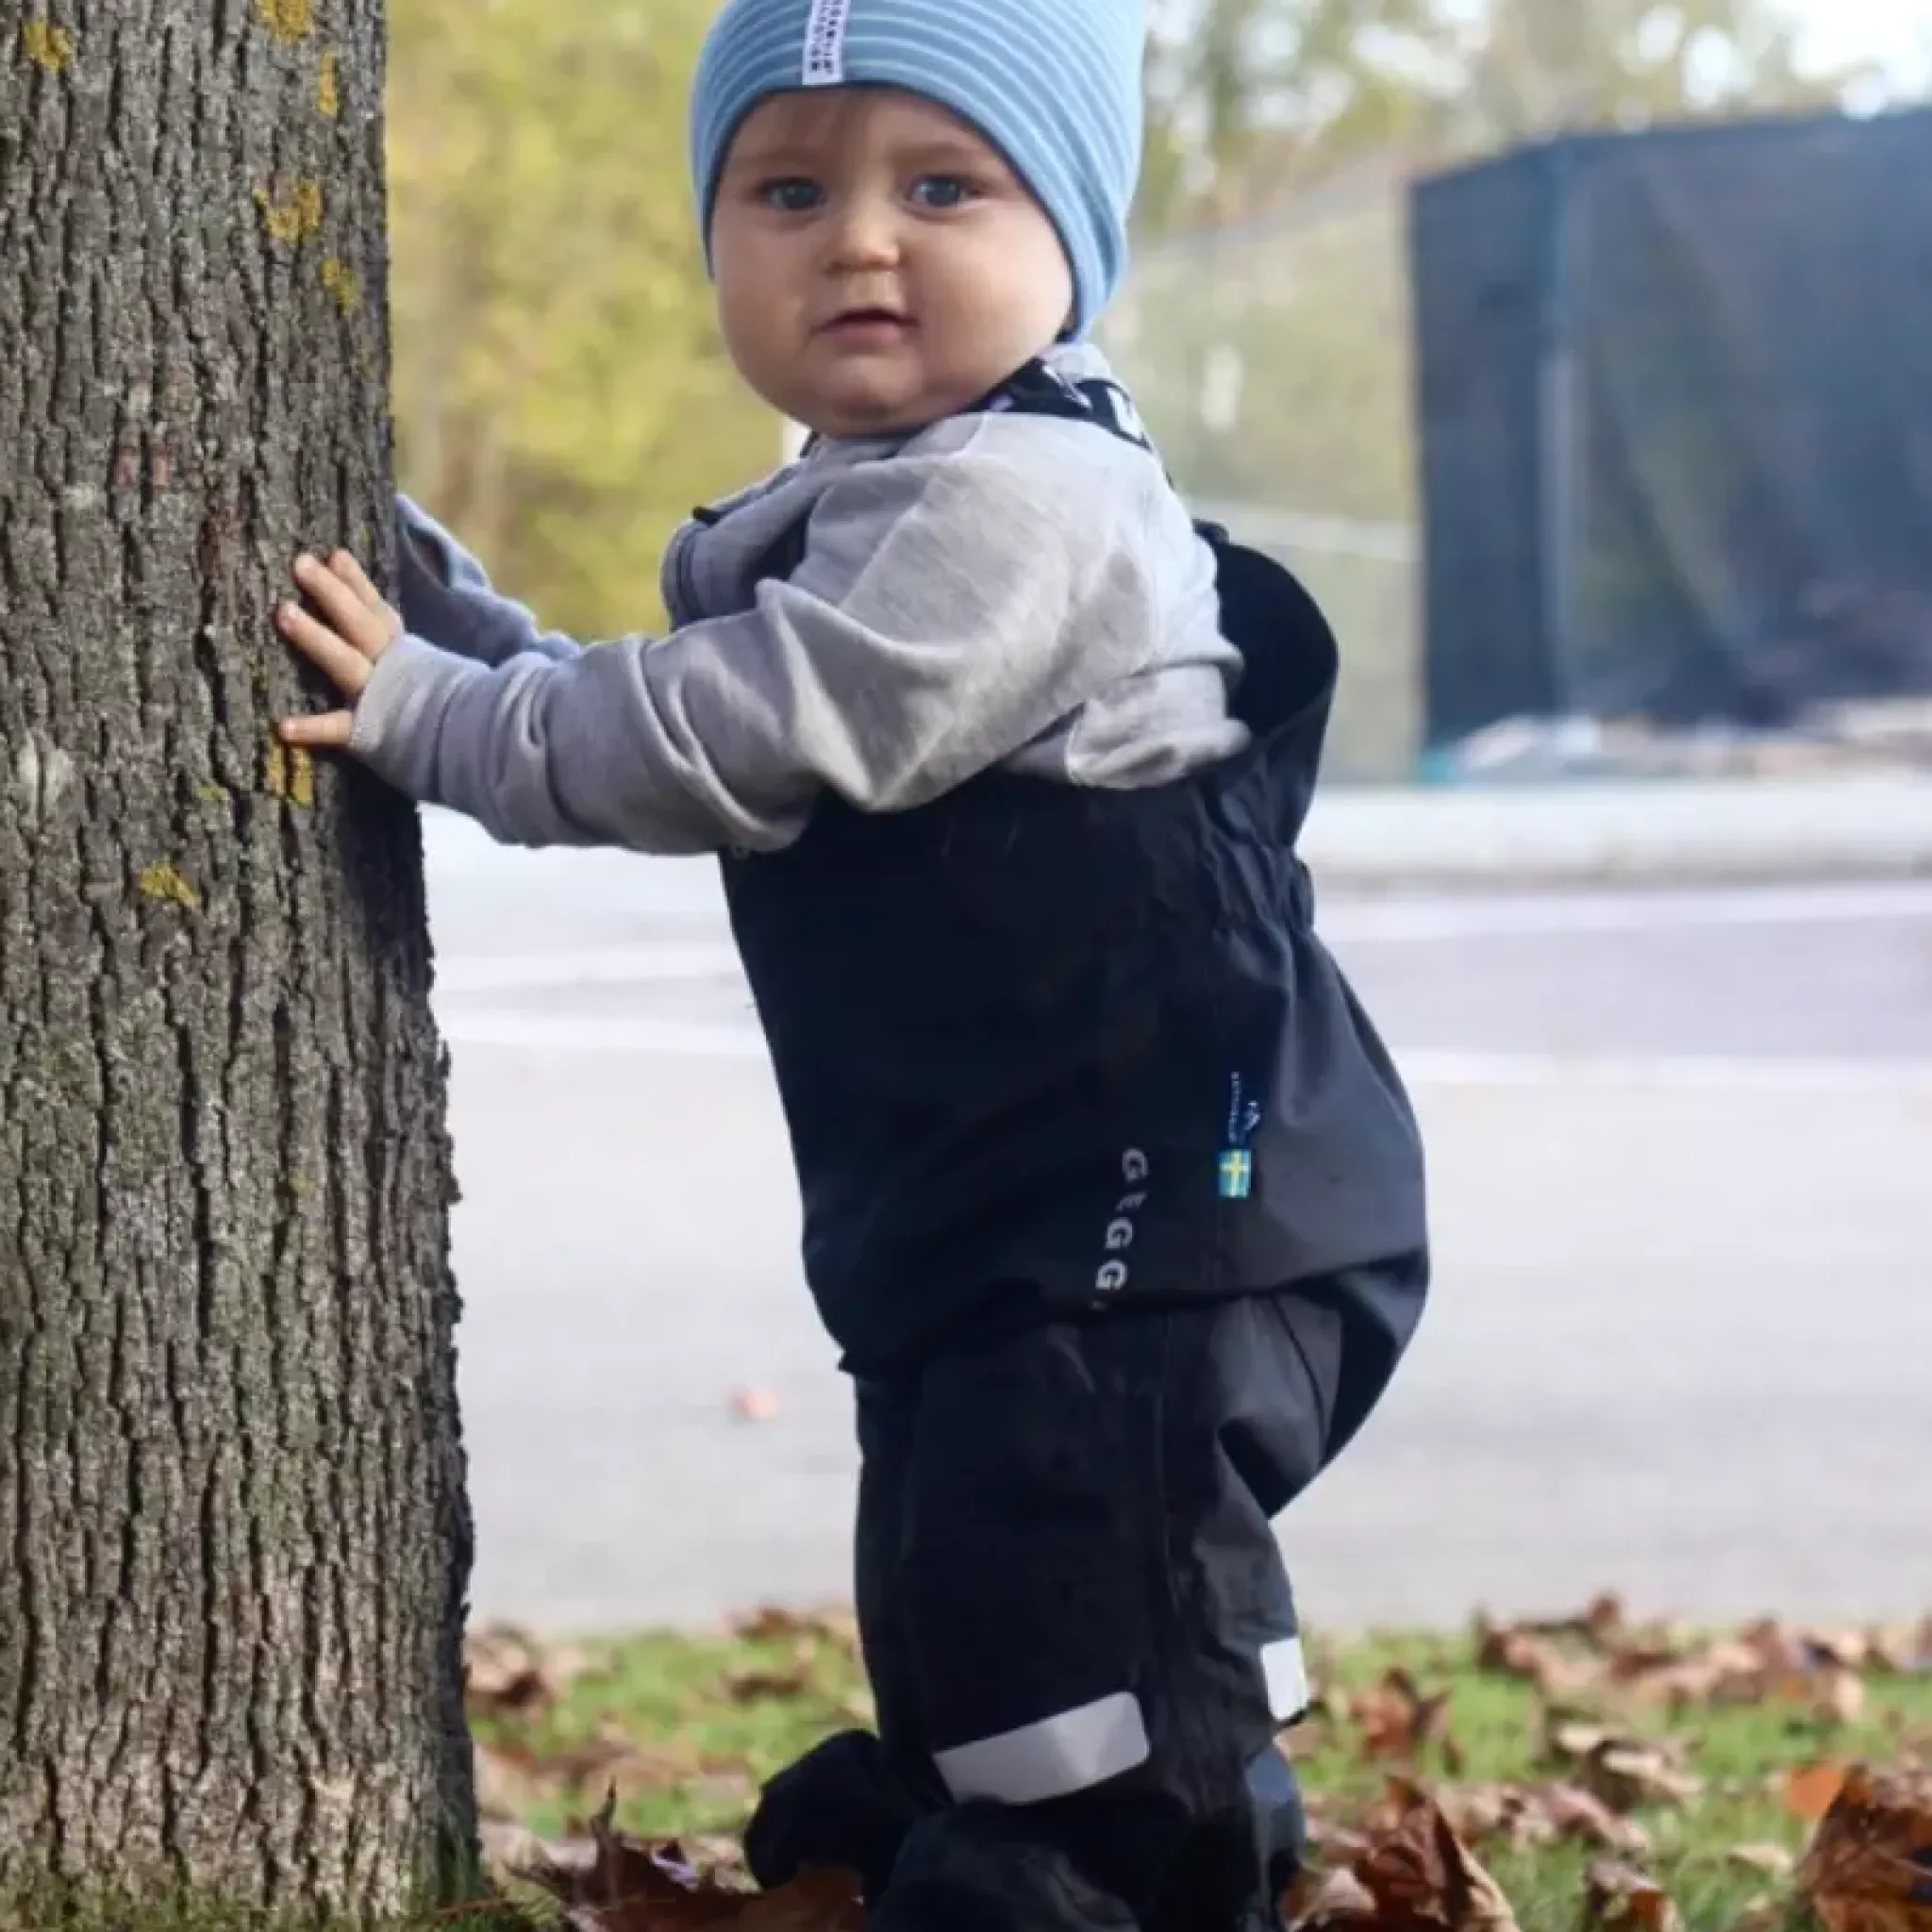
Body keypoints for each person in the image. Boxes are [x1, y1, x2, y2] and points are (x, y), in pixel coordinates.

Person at [272, 1, 1430, 1924]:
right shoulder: (889, 493)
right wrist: (463, 634)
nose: (859, 238)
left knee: (1091, 1573)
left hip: (1170, 1221)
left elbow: (740, 728)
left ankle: (1135, 1874)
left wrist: (433, 715)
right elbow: (684, 687)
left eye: (943, 184)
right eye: (787, 188)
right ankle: (988, 1810)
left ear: (1068, 242)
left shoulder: (1013, 505)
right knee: (971, 1558)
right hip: (1025, 1226)